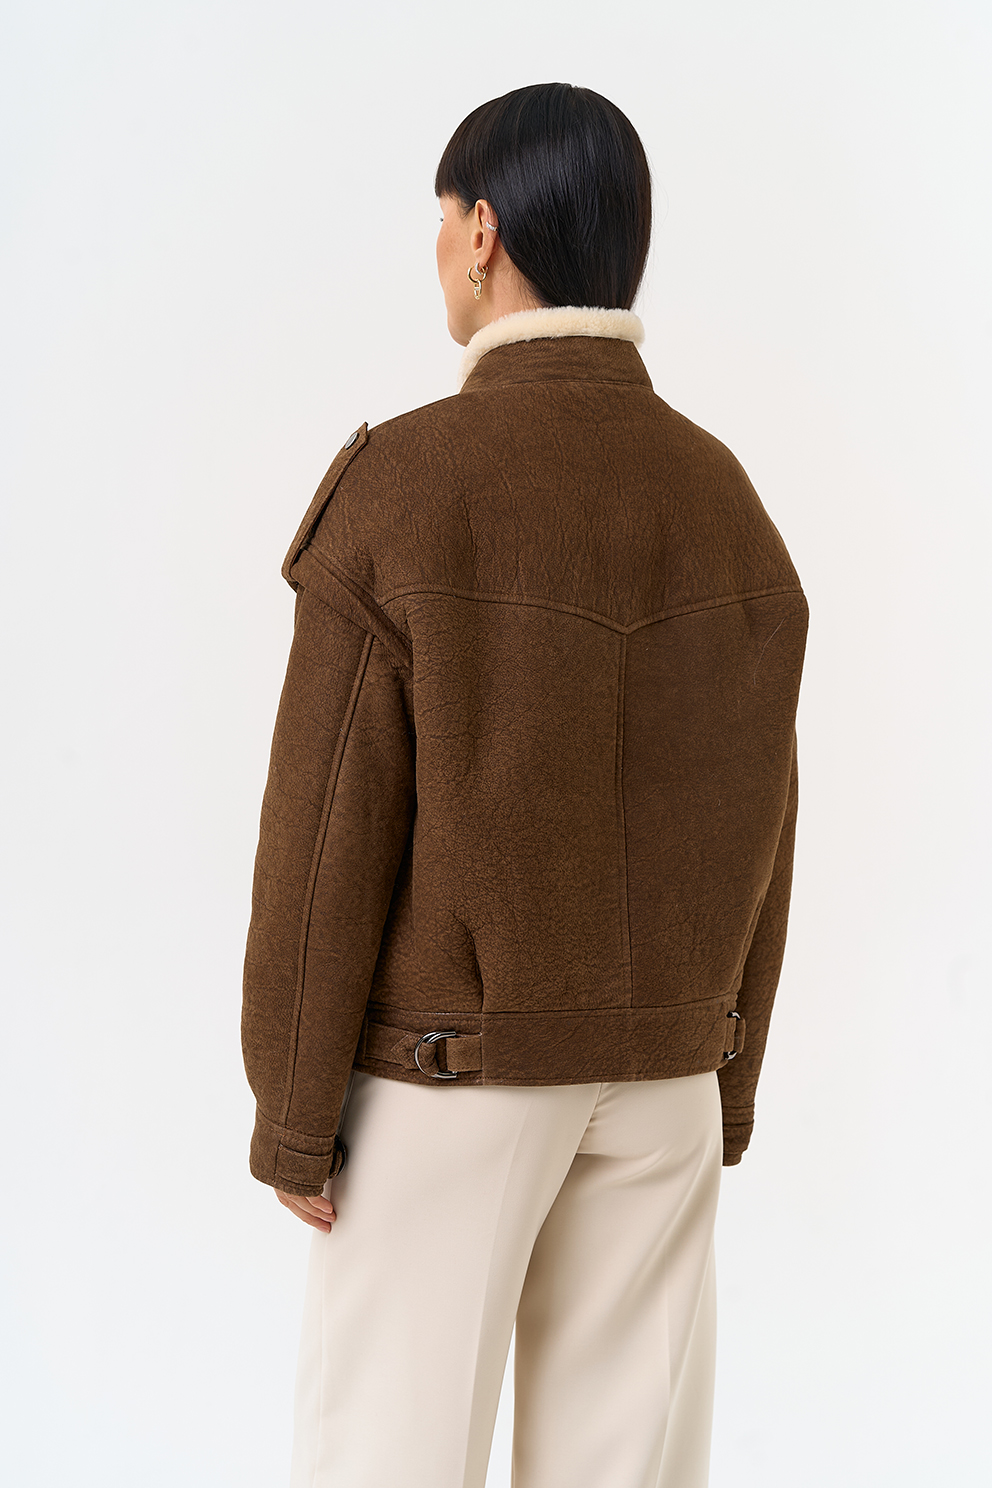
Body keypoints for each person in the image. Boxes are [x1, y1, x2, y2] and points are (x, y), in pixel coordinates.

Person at [241, 81, 808, 1488]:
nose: (439, 247)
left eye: (443, 219)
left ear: (485, 231)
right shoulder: (727, 500)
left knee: (387, 1461)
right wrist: (725, 1079)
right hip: (667, 1076)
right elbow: (765, 820)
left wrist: (294, 1115)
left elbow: (325, 828)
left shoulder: (403, 484)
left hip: (455, 1081)